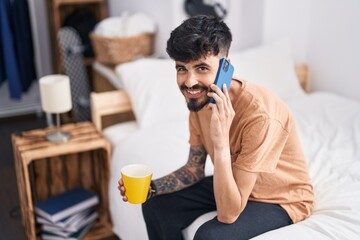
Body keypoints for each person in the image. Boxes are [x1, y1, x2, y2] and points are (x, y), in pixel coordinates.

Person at [118, 15, 314, 240]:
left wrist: (220, 144)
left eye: (201, 68)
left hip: (280, 197)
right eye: (182, 68)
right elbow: (193, 170)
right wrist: (150, 188)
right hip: (235, 182)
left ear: (225, 67)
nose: (190, 82)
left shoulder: (260, 115)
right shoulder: (199, 99)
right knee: (154, 204)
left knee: (210, 236)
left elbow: (228, 215)